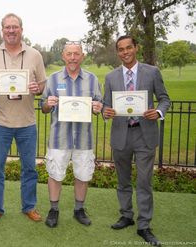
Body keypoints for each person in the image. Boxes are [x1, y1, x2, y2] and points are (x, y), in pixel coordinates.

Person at [103, 35, 170, 246]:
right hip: (121, 135)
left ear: (136, 48)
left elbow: (165, 99)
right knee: (123, 181)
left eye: (128, 48)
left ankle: (144, 225)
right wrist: (107, 112)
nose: (125, 52)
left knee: (143, 181)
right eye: (121, 49)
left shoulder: (152, 72)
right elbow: (105, 107)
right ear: (118, 52)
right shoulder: (111, 77)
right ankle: (126, 215)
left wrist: (158, 112)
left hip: (144, 134)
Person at [0, 13, 47, 224]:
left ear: (21, 29)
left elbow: (42, 86)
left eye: (15, 27)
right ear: (2, 30)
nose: (11, 31)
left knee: (29, 168)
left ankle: (29, 207)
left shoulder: (35, 55)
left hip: (27, 123)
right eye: (7, 27)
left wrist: (38, 88)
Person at [41, 42, 103, 228]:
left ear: (82, 56)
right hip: (59, 137)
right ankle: (54, 210)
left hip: (84, 138)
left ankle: (79, 209)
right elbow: (43, 107)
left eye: (76, 54)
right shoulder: (52, 79)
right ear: (63, 56)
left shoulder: (92, 80)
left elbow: (99, 105)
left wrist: (97, 108)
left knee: (83, 175)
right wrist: (48, 104)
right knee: (55, 174)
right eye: (69, 54)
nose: (73, 57)